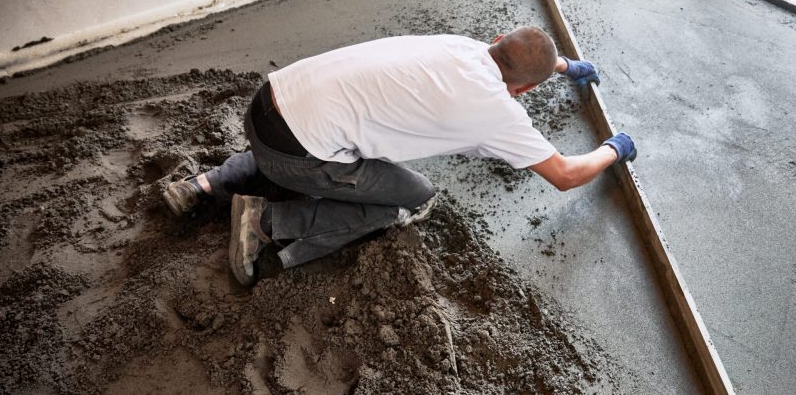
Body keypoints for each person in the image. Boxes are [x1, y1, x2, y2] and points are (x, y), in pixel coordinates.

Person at [163, 27, 636, 286]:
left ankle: (203, 185)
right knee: (414, 197)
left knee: (325, 131)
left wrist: (567, 66)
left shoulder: (461, 45)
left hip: (268, 101)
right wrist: (613, 148)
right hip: (294, 151)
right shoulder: (499, 114)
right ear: (526, 90)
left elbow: (524, 54)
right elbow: (567, 175)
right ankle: (266, 224)